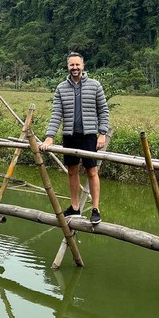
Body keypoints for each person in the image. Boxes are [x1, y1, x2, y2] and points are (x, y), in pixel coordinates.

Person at [39, 52, 109, 224]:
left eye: (78, 65)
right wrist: (49, 137)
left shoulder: (95, 85)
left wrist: (102, 134)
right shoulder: (61, 88)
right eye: (72, 65)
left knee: (92, 171)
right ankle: (75, 207)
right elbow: (56, 114)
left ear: (83, 66)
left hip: (89, 136)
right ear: (68, 66)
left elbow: (104, 111)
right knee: (72, 171)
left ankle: (95, 209)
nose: (75, 68)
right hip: (70, 135)